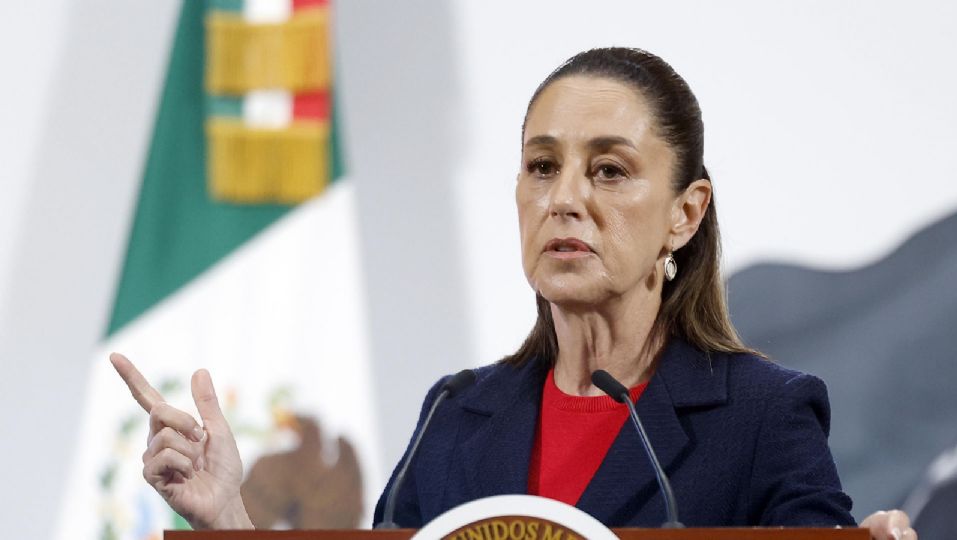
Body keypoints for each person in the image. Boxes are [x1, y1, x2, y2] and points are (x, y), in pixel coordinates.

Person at [111, 47, 916, 538]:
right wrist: (228, 518)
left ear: (685, 213)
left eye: (609, 169)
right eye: (542, 166)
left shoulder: (763, 415)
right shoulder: (455, 416)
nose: (564, 198)